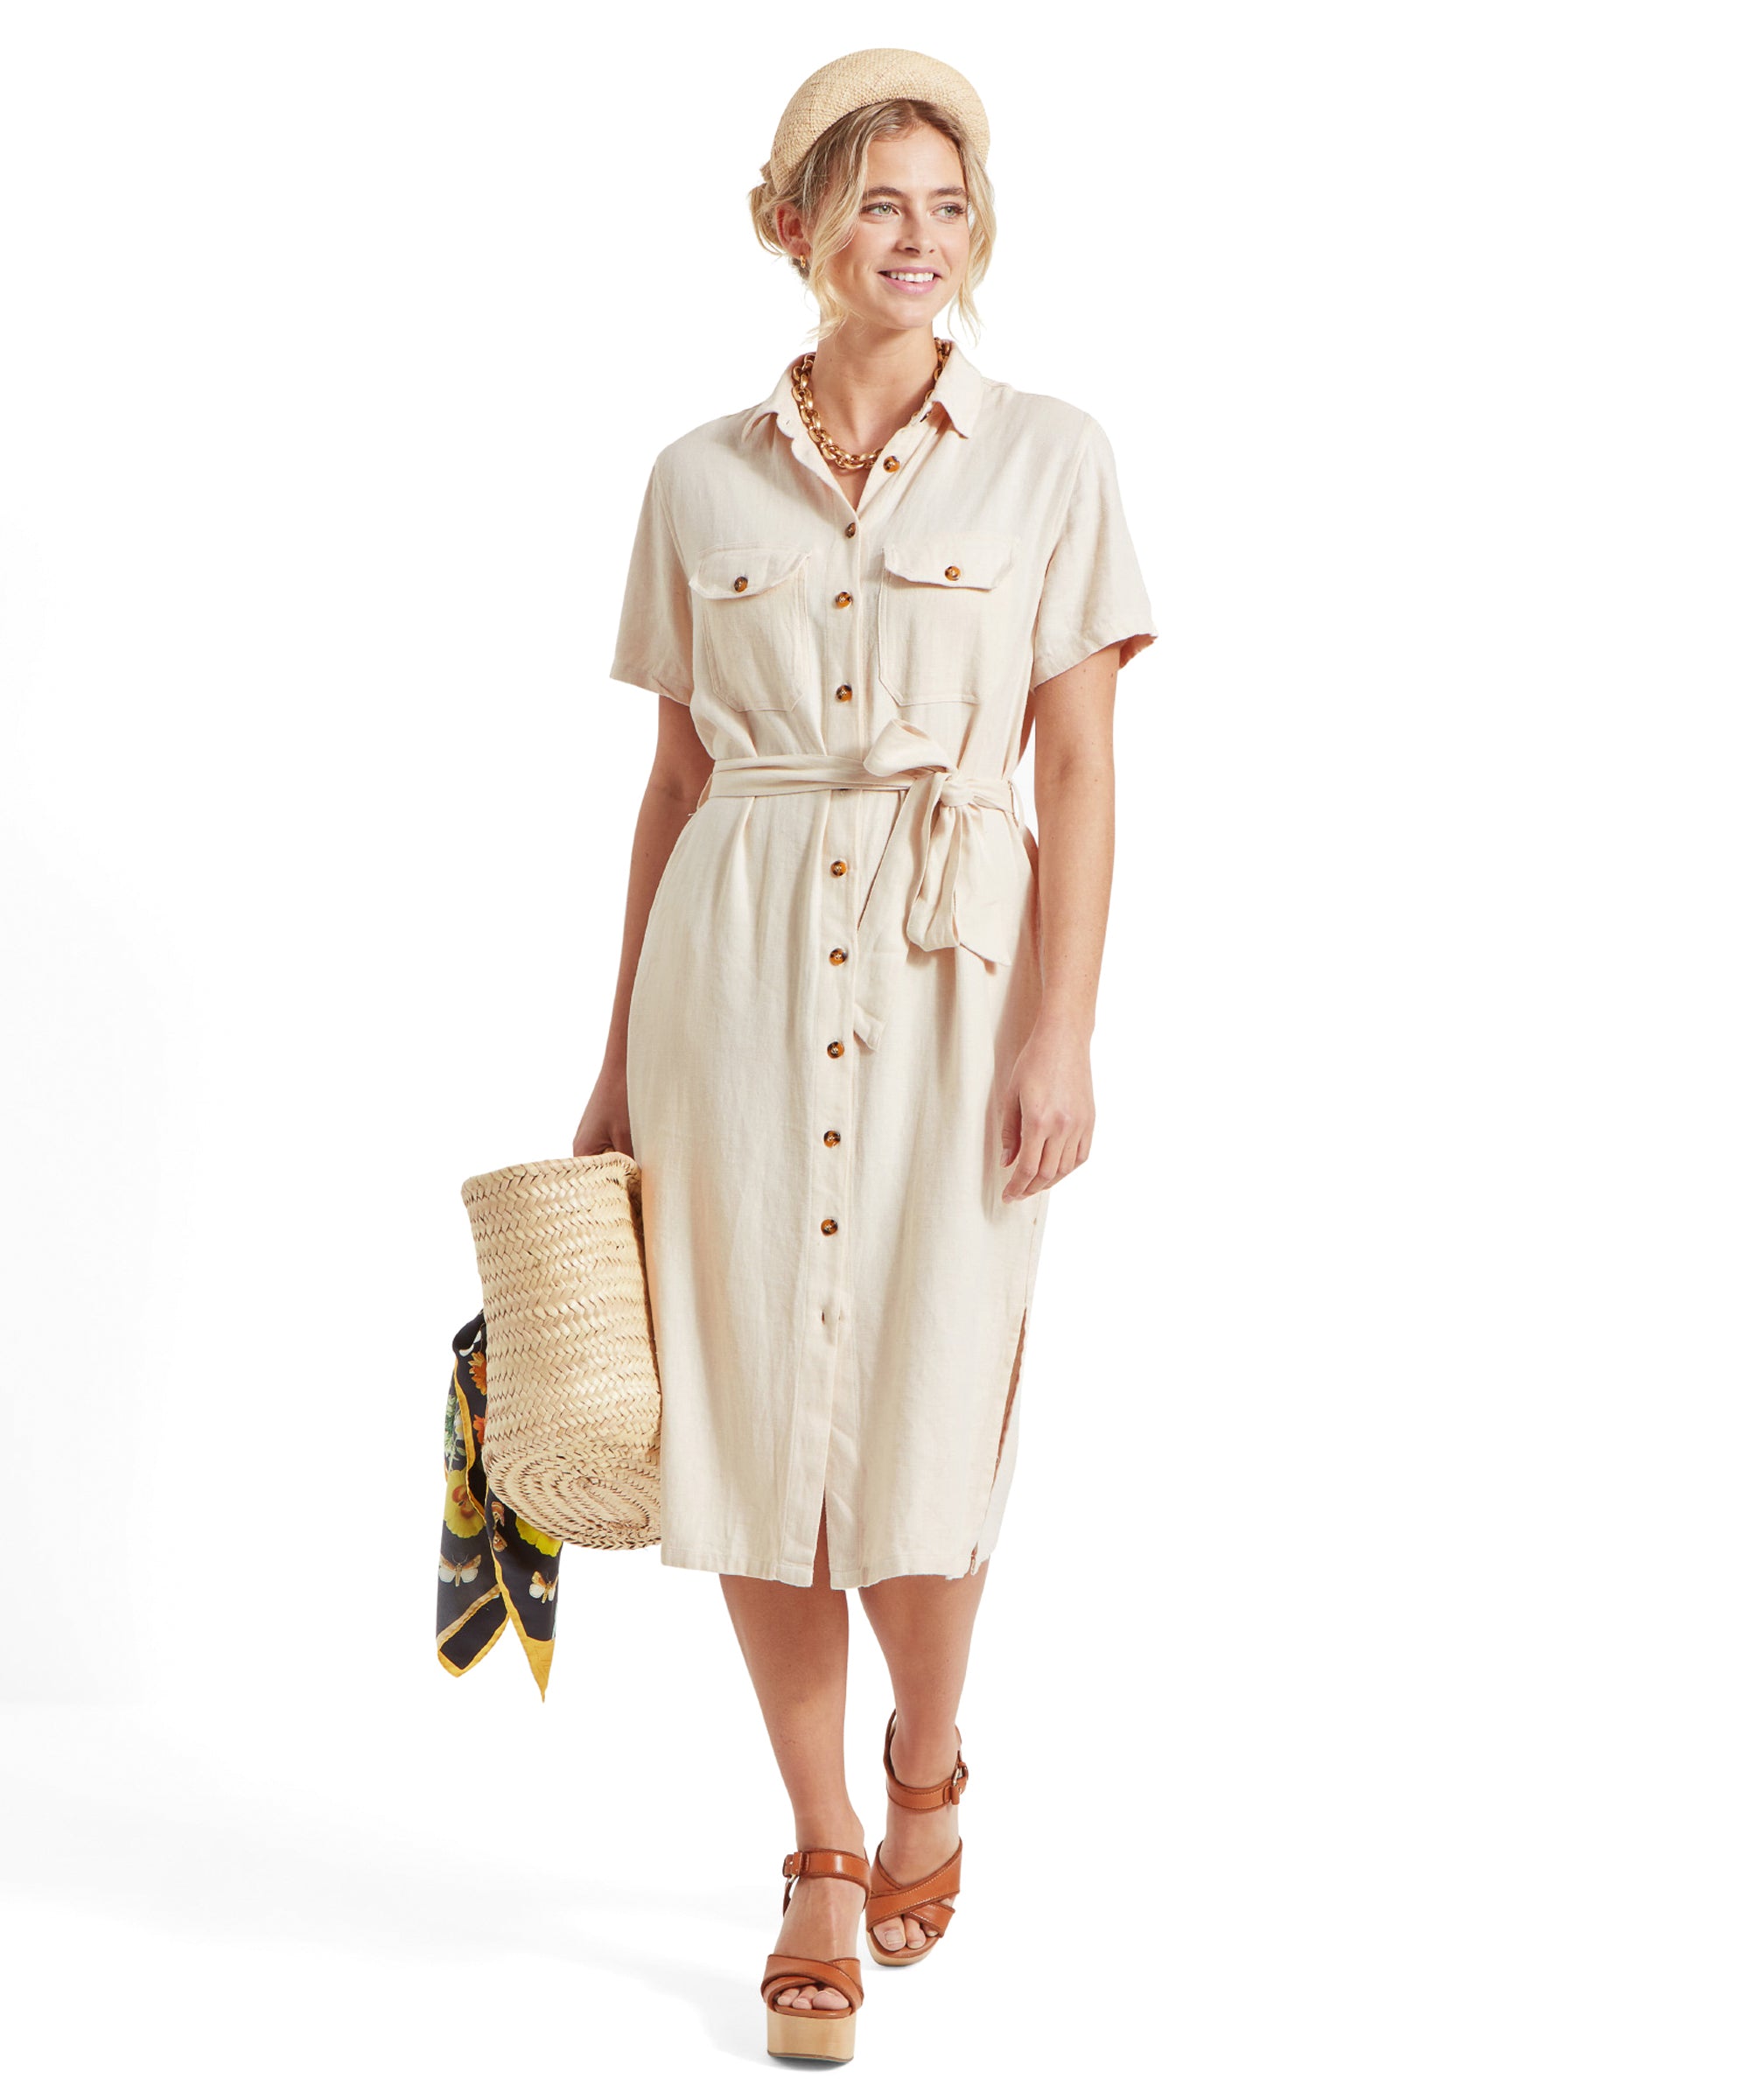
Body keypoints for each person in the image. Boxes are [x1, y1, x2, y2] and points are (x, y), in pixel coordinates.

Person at [572, 47, 1155, 2063]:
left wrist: (1061, 1019)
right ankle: (821, 1845)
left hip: (948, 969)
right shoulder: (695, 477)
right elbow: (672, 780)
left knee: (924, 1408)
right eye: (880, 204)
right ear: (793, 225)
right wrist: (617, 1066)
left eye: (950, 204)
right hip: (727, 967)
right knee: (743, 1422)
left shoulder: (1053, 456)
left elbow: (1073, 767)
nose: (921, 241)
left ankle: (928, 1750)